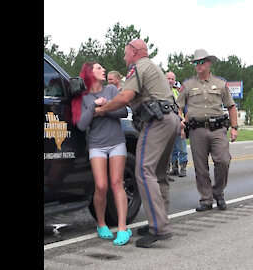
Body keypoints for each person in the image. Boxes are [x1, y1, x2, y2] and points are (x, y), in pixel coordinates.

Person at [95, 39, 180, 248]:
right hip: (170, 120)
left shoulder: (138, 67)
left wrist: (101, 110)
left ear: (134, 52)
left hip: (155, 121)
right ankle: (158, 222)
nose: (124, 58)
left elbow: (125, 97)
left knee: (143, 170)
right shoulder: (154, 67)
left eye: (125, 53)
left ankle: (159, 227)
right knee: (159, 175)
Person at [72, 62, 132, 246]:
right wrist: (94, 108)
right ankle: (101, 224)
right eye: (99, 68)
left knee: (116, 183)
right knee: (101, 185)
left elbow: (123, 111)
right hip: (97, 144)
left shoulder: (112, 90)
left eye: (103, 68)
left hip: (116, 142)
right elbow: (81, 124)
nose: (103, 70)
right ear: (89, 73)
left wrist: (103, 109)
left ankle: (123, 228)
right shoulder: (84, 98)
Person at [176, 49, 238, 212]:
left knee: (223, 160)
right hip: (197, 130)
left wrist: (234, 128)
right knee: (200, 166)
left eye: (202, 62)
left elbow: (231, 106)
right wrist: (180, 120)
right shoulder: (188, 85)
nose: (198, 65)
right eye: (196, 62)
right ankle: (206, 199)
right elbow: (178, 107)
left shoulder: (220, 83)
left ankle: (218, 192)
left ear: (209, 63)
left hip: (218, 129)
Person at [166, 71, 188, 177]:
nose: (170, 81)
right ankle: (173, 168)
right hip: (167, 125)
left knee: (182, 148)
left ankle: (183, 169)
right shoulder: (161, 92)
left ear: (175, 80)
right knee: (171, 149)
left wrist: (184, 121)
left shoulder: (177, 93)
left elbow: (184, 108)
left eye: (172, 79)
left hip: (179, 124)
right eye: (168, 78)